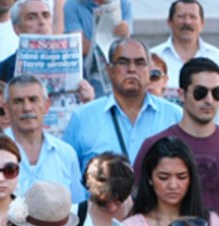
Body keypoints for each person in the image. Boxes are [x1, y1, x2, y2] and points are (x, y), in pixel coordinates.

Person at [133, 58, 219, 223]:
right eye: (200, 92)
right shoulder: (154, 146)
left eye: (217, 93)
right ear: (181, 94)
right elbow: (137, 208)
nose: (209, 100)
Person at [62, 37, 182, 170]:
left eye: (140, 63)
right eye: (123, 62)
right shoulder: (83, 118)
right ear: (109, 70)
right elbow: (65, 171)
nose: (132, 69)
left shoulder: (175, 117)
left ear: (149, 71)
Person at [150, 0, 219, 130]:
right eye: (181, 16)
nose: (187, 22)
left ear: (202, 24)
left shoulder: (218, 57)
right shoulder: (153, 58)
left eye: (193, 17)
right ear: (170, 22)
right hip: (163, 138)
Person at [5, 74, 86, 203]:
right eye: (18, 101)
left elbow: (77, 206)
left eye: (33, 100)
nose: (27, 108)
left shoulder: (66, 154)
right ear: (7, 109)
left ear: (46, 106)